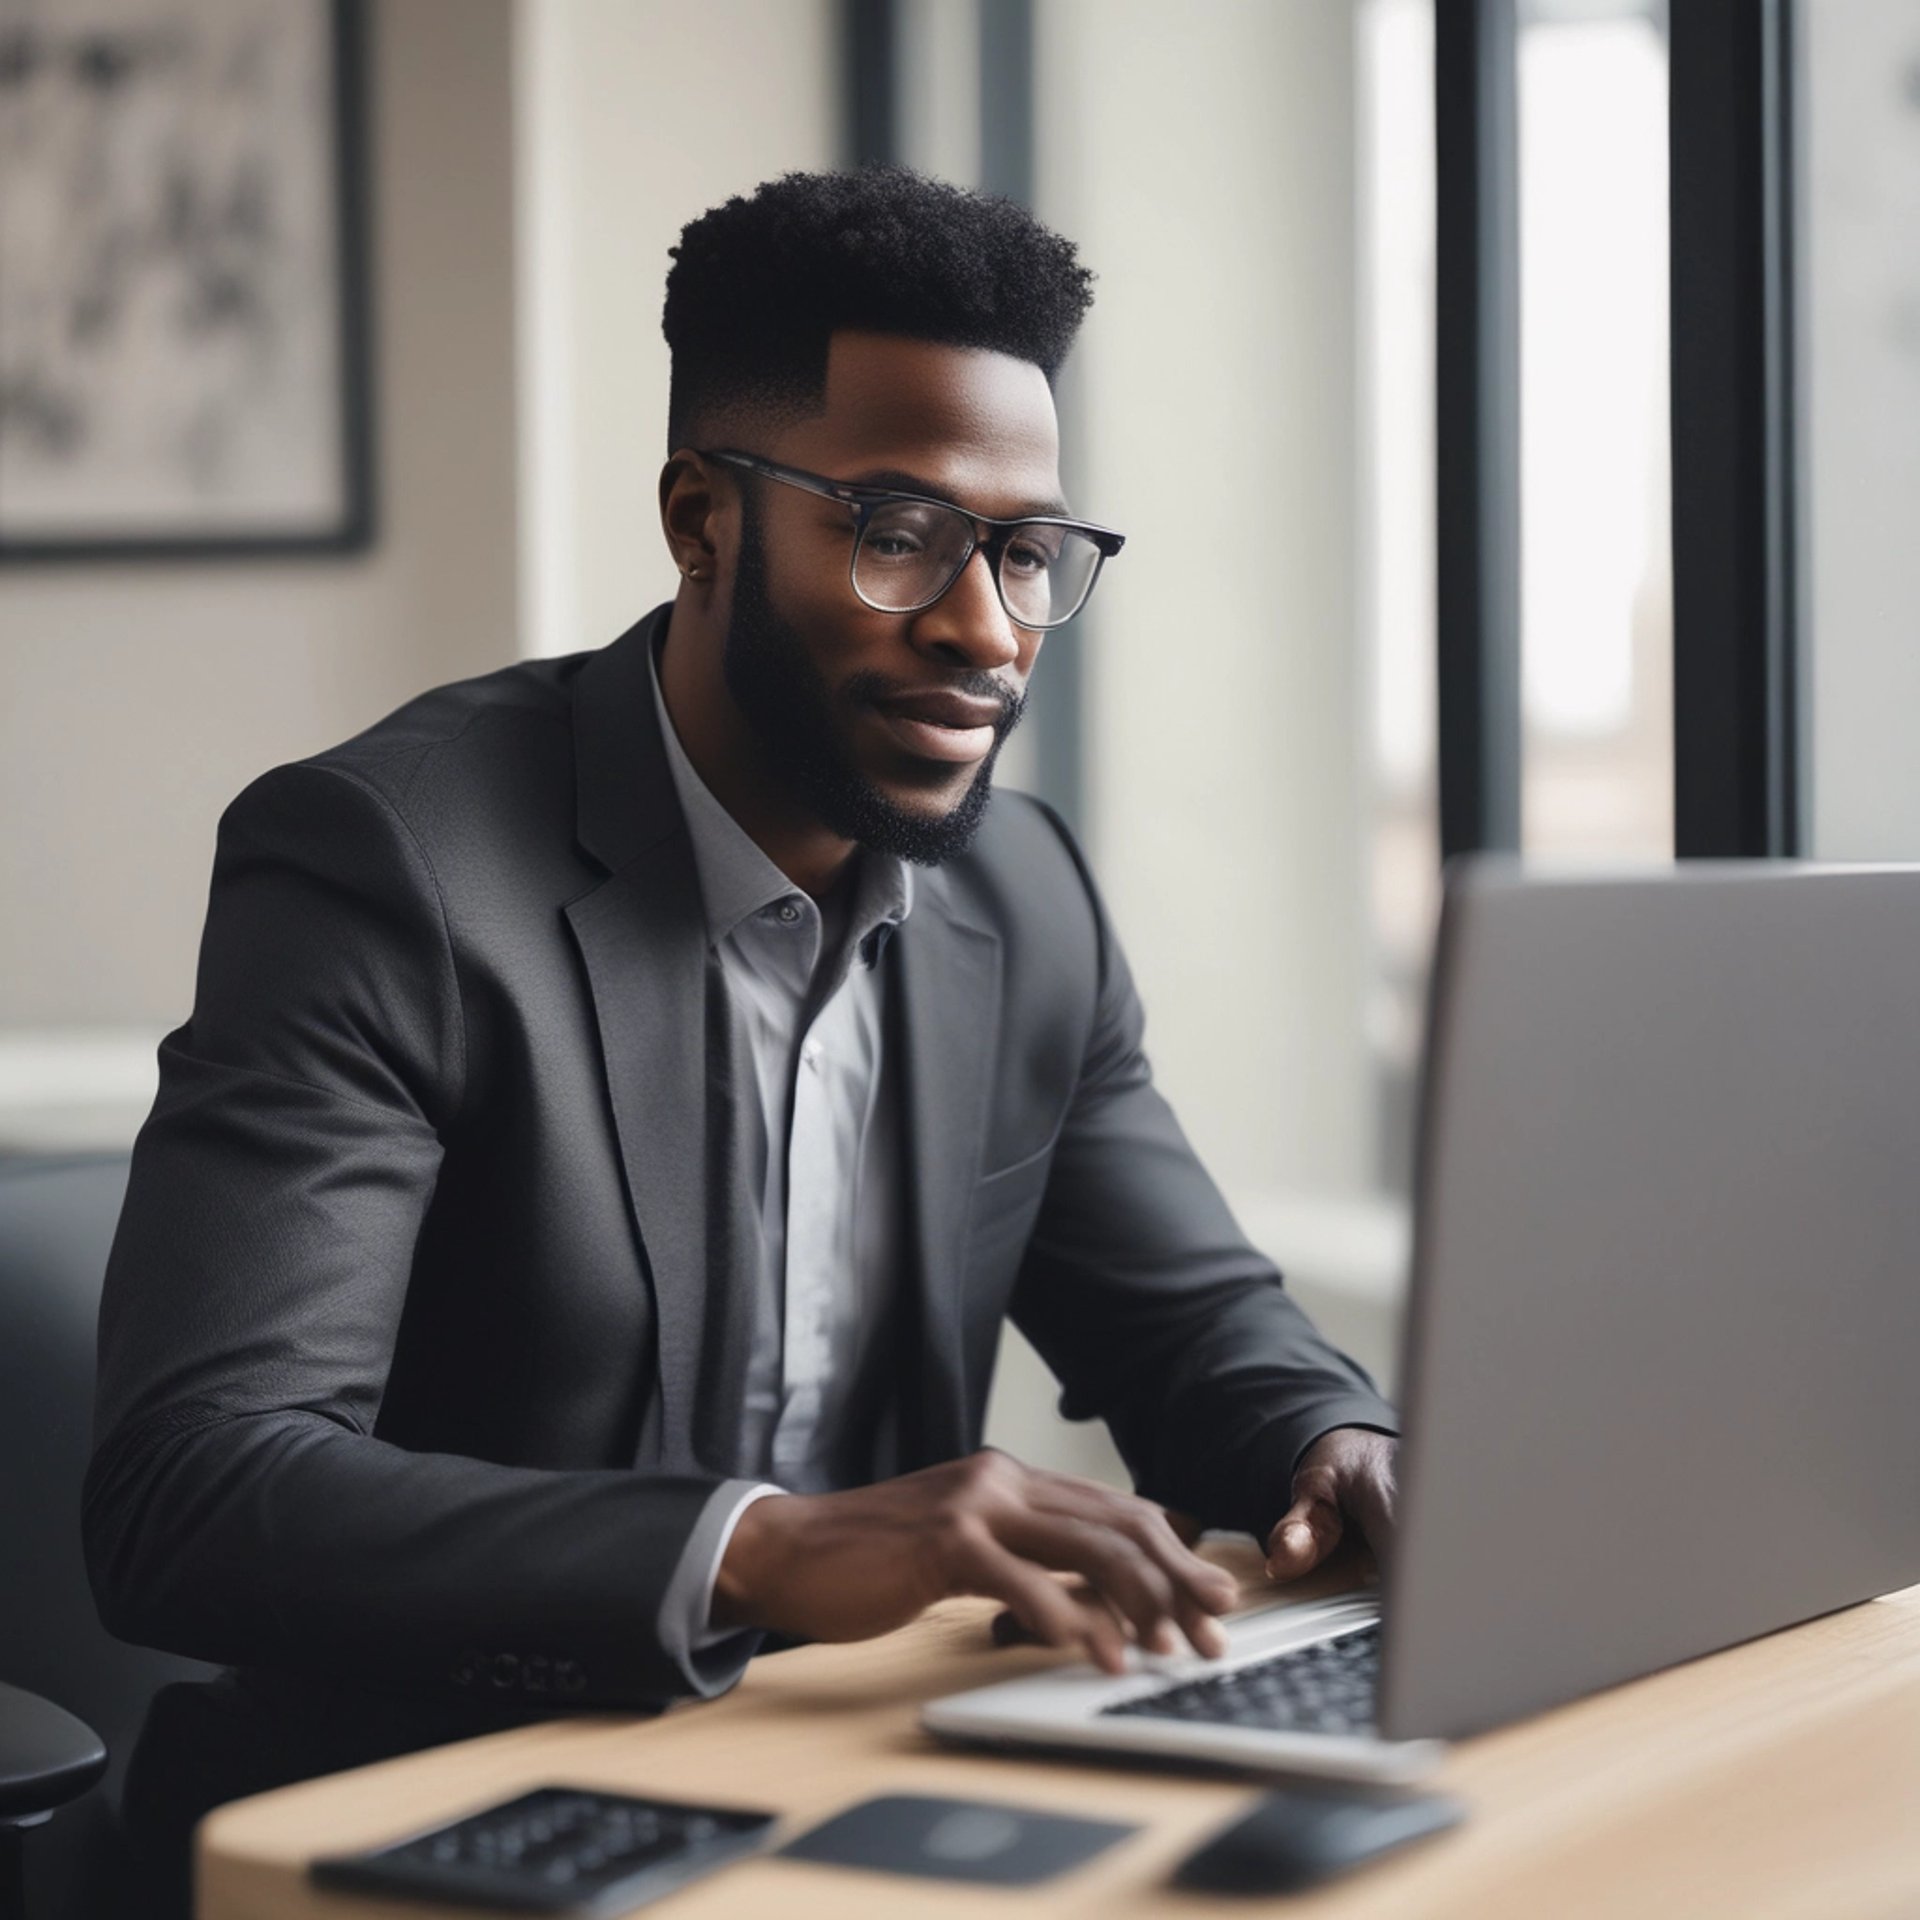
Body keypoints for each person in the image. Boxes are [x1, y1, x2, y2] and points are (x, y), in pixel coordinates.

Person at [87, 167, 1398, 1907]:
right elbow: (193, 1490)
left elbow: (1191, 1323)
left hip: (857, 1786)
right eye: (897, 530)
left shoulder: (1024, 894)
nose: (987, 629)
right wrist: (765, 1551)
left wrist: (1337, 1446)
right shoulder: (385, 867)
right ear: (702, 519)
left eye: (1025, 550)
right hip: (437, 1815)